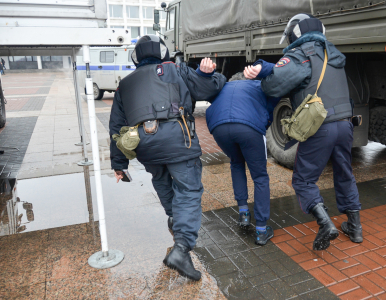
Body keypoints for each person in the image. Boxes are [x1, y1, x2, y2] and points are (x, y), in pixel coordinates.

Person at [109, 35, 226, 281]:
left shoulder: (125, 84)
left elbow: (116, 128)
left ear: (136, 57)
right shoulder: (176, 69)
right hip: (178, 141)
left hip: (145, 146)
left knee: (162, 181)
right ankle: (181, 249)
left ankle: (175, 219)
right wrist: (214, 76)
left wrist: (119, 164)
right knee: (188, 190)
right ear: (163, 52)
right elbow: (208, 88)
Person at [244, 14, 362, 251]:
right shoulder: (332, 53)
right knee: (344, 172)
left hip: (321, 126)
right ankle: (355, 228)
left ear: (294, 34)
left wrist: (265, 72)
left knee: (303, 180)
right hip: (345, 124)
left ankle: (325, 223)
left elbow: (273, 85)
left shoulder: (300, 55)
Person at [205, 75, 280, 245]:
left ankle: (244, 213)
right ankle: (261, 230)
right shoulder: (257, 85)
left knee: (236, 163)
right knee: (260, 177)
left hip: (219, 127)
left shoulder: (224, 87)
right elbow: (269, 110)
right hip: (248, 127)